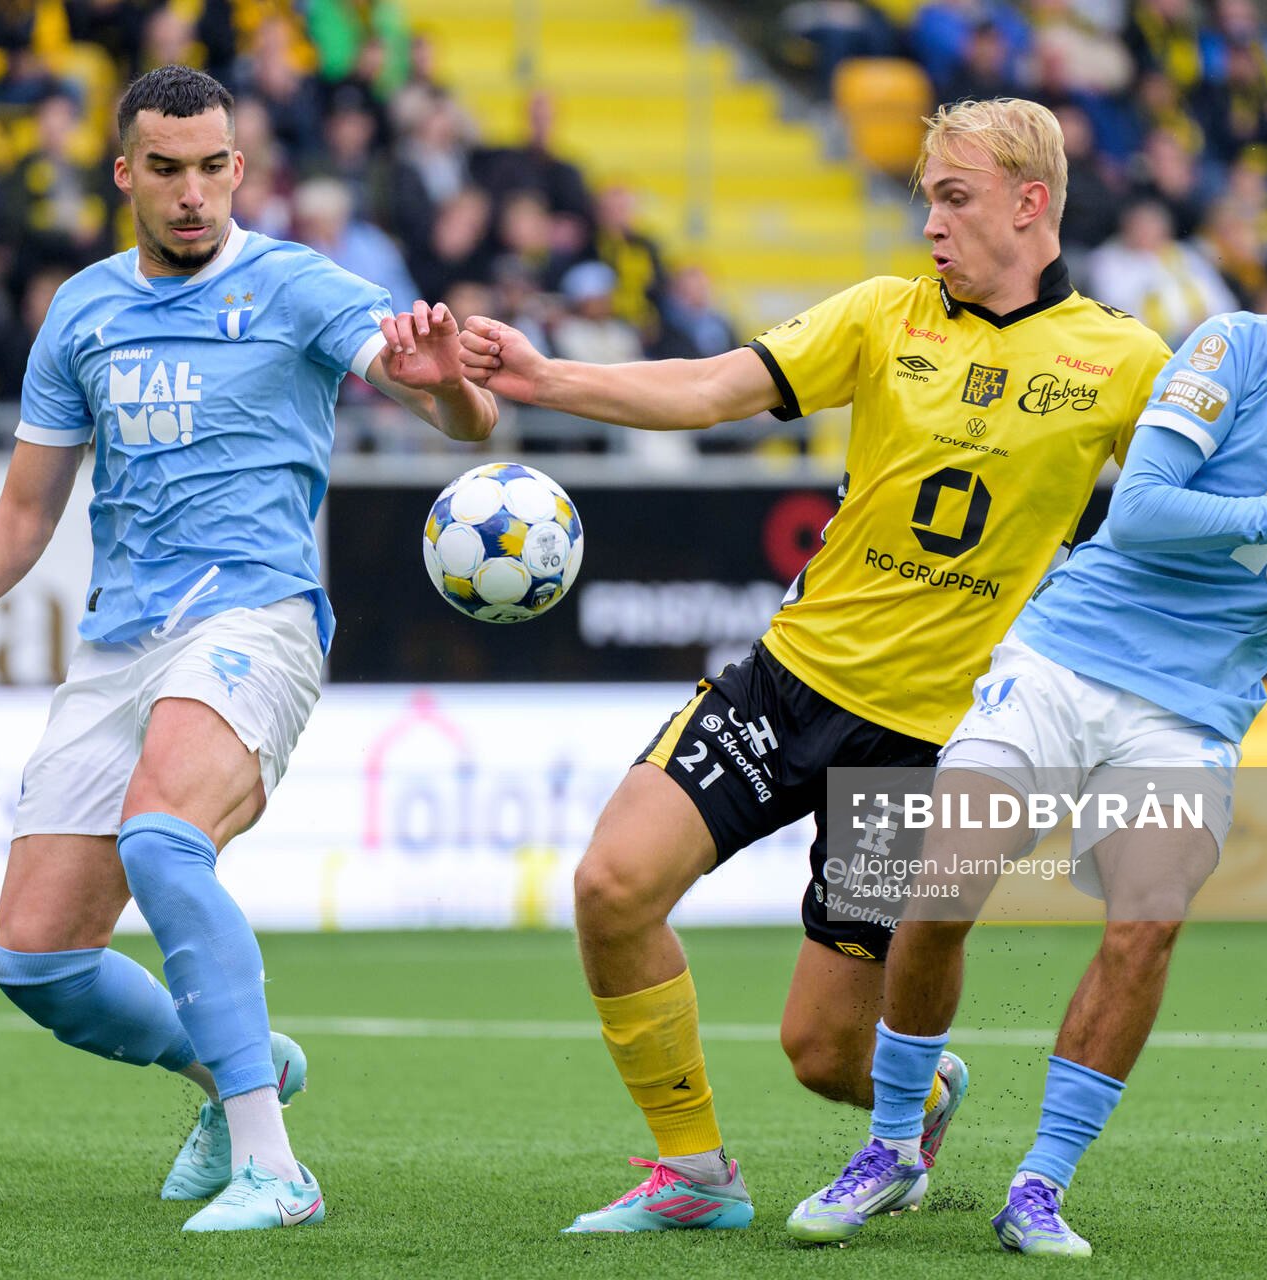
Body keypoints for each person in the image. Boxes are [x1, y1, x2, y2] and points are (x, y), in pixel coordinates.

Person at [458, 98, 1174, 1233]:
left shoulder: (1123, 359)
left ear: (1032, 202)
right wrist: (544, 380)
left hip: (927, 745)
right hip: (785, 684)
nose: (930, 221)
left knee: (824, 1051)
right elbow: (708, 390)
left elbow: (1177, 521)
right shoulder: (886, 315)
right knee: (610, 886)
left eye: (955, 196)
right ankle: (694, 1172)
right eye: (925, 197)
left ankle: (921, 1087)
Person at [809, 154, 1267, 1255]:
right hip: (1062, 657)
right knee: (940, 885)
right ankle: (894, 1146)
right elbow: (1137, 512)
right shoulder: (1230, 347)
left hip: (1188, 714)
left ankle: (1040, 1184)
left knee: (1146, 922)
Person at [0, 64, 493, 1234]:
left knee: (162, 837)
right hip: (120, 641)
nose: (191, 193)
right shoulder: (84, 312)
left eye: (212, 168)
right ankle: (230, 1069)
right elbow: (24, 515)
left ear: (239, 169)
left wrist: (451, 394)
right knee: (36, 961)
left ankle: (274, 1165)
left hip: (256, 617)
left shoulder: (297, 285)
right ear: (125, 174)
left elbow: (451, 408)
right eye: (166, 170)